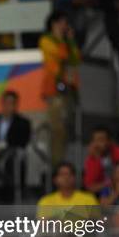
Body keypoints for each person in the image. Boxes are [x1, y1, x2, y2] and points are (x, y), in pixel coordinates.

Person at [39, 11, 81, 166]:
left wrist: (70, 41)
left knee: (67, 129)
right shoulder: (46, 40)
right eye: (62, 23)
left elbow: (76, 59)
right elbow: (61, 57)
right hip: (54, 90)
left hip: (68, 91)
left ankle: (63, 162)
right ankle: (56, 165)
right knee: (57, 129)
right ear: (54, 24)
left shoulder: (66, 42)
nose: (65, 26)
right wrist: (63, 40)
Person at [83, 126, 119, 196]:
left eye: (102, 139)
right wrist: (97, 159)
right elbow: (90, 187)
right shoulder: (92, 159)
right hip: (104, 195)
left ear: (110, 141)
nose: (98, 144)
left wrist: (108, 184)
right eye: (96, 140)